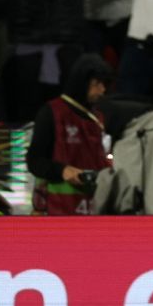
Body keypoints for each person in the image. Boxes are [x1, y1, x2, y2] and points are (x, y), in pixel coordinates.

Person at [27, 53, 112, 215]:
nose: (102, 90)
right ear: (82, 83)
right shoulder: (52, 112)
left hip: (94, 207)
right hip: (57, 208)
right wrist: (63, 170)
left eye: (104, 84)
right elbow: (34, 161)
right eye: (97, 84)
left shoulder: (99, 117)